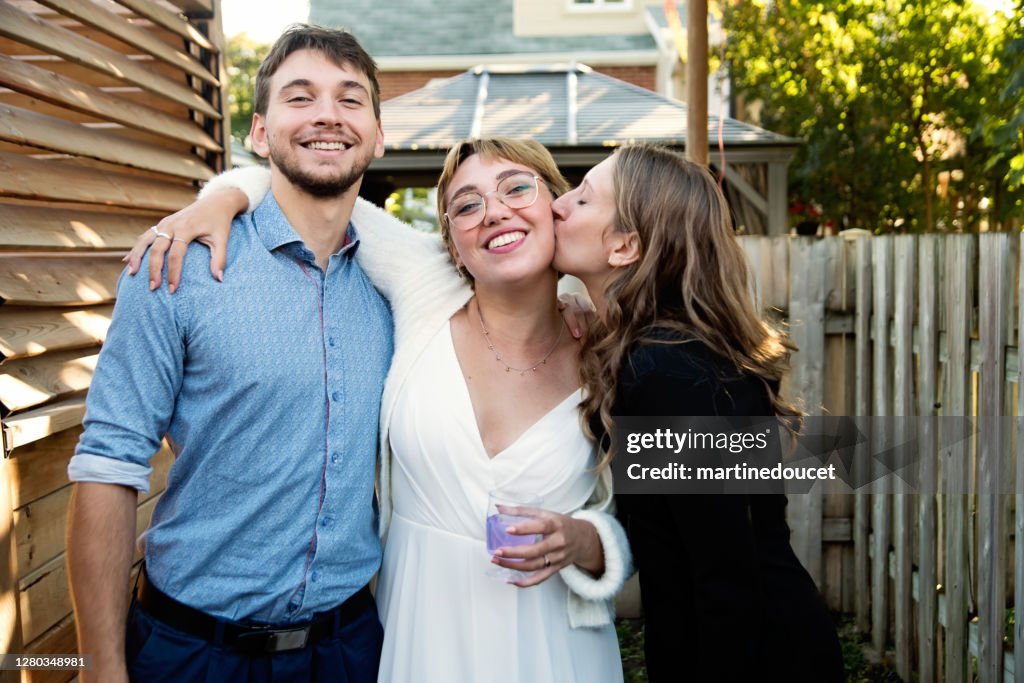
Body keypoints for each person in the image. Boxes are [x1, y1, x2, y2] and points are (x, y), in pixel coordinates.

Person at [123, 130, 631, 681]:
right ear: (450, 243)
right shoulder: (424, 290)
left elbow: (680, 524)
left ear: (556, 209)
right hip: (420, 635)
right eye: (467, 205)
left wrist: (590, 541)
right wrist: (219, 201)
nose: (494, 212)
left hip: (553, 647)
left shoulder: (619, 351)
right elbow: (310, 196)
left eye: (516, 188)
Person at [67, 25, 394, 683]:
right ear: (257, 130)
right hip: (193, 651)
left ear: (379, 135)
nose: (328, 114)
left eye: (350, 99)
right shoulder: (176, 264)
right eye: (300, 97)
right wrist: (102, 668)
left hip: (351, 649)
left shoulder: (398, 290)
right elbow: (107, 466)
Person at [550, 143, 844, 682]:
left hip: (752, 656)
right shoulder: (661, 355)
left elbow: (727, 575)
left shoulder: (671, 374)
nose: (557, 205)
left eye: (583, 198)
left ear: (624, 245)